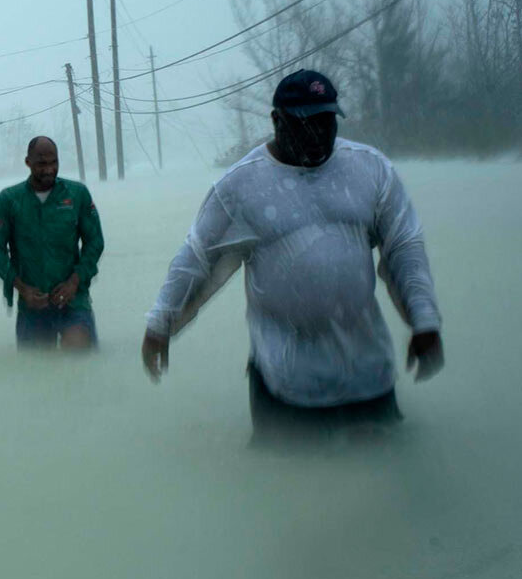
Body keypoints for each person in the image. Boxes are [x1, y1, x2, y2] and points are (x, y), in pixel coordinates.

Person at [141, 69, 445, 442]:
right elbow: (196, 257)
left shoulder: (370, 168)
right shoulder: (240, 186)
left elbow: (404, 247)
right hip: (284, 380)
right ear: (276, 121)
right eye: (305, 124)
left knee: (381, 481)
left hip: (367, 374)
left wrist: (424, 318)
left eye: (326, 122)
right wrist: (160, 324)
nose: (318, 135)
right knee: (286, 484)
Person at [0, 136, 104, 350]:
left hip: (73, 302)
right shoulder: (9, 200)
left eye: (54, 162)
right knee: (35, 373)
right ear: (27, 162)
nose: (49, 169)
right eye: (42, 164)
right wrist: (22, 288)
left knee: (81, 363)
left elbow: (95, 242)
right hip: (33, 306)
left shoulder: (77, 194)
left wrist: (74, 282)